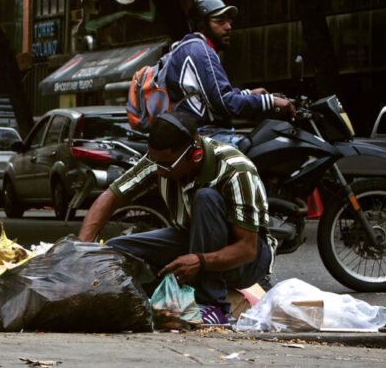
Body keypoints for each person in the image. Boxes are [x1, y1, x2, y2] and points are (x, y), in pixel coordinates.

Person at [78, 111, 275, 325]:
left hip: (247, 260)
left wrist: (200, 261)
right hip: (191, 240)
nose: (160, 172)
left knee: (206, 197)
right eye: (157, 163)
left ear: (195, 155)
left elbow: (247, 249)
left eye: (166, 166)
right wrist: (79, 250)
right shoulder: (160, 161)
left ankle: (212, 305)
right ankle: (137, 297)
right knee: (116, 250)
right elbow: (111, 197)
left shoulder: (235, 171)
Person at [163, 0, 295, 145]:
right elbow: (225, 102)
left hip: (195, 133)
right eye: (220, 21)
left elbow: (210, 98)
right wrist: (272, 101)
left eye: (228, 21)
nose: (228, 27)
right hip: (208, 135)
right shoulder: (200, 50)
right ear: (201, 24)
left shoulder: (187, 48)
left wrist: (248, 93)